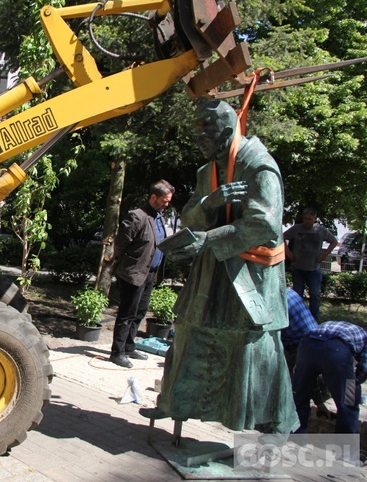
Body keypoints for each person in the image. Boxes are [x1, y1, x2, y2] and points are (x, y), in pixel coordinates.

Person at [141, 100, 298, 434]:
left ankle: (269, 424)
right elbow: (188, 216)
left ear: (227, 131)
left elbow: (265, 224)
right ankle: (174, 403)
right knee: (188, 332)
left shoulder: (259, 167)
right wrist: (209, 203)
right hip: (211, 274)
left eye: (204, 129)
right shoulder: (206, 172)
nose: (198, 136)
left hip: (250, 277)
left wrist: (210, 238)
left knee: (250, 348)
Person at [109, 180, 174, 368]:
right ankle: (117, 352)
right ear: (153, 197)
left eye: (169, 201)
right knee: (127, 313)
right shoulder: (137, 216)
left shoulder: (159, 216)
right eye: (164, 200)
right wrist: (121, 262)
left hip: (149, 274)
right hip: (133, 273)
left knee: (140, 311)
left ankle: (129, 345)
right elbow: (121, 243)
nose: (166, 204)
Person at [291, 320, 367, 434]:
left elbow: (311, 379)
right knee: (349, 402)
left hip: (307, 344)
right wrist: (352, 384)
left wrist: (319, 402)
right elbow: (364, 369)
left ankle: (296, 439)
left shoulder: (348, 329)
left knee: (300, 396)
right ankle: (345, 449)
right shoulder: (365, 338)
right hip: (336, 350)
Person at [282, 287, 331, 417]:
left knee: (302, 385)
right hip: (314, 337)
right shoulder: (287, 292)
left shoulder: (279, 297)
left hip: (302, 341)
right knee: (349, 404)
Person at [283, 208, 338, 320]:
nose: (307, 221)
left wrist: (324, 255)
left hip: (313, 269)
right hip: (298, 267)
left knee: (314, 294)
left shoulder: (321, 230)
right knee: (298, 295)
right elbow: (282, 237)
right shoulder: (297, 228)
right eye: (305, 219)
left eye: (310, 219)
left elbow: (334, 241)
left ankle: (313, 318)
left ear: (315, 218)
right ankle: (298, 318)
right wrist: (288, 253)